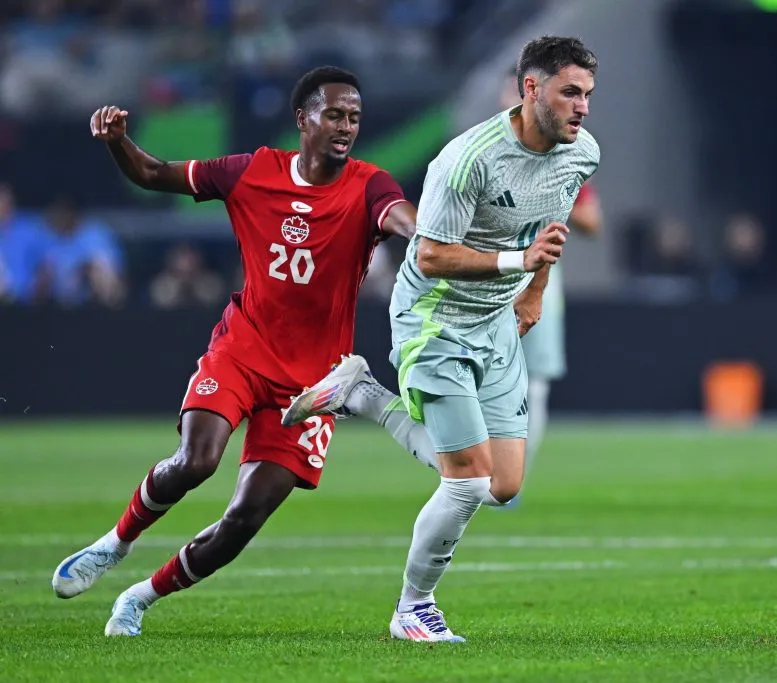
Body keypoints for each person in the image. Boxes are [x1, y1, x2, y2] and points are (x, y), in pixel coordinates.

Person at [50, 66, 417, 637]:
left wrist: (430, 236)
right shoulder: (253, 171)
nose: (346, 127)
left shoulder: (369, 185)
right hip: (243, 349)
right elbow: (151, 174)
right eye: (335, 114)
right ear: (304, 119)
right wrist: (119, 141)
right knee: (197, 460)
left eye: (354, 118)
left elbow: (403, 220)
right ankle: (114, 543)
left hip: (315, 385)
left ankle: (140, 598)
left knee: (245, 517)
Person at [283, 36, 600, 642]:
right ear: (531, 89)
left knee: (503, 486)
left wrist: (533, 290)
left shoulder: (580, 152)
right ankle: (413, 609)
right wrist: (517, 265)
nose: (582, 107)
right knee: (468, 483)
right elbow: (427, 256)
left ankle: (362, 395)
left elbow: (553, 227)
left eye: (587, 93)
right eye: (569, 92)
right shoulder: (466, 160)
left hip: (498, 320)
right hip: (436, 320)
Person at [498, 67, 602, 483]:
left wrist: (557, 195)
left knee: (533, 384)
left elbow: (594, 222)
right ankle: (476, 471)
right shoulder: (484, 149)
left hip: (539, 281)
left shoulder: (564, 153)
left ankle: (514, 478)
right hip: (486, 276)